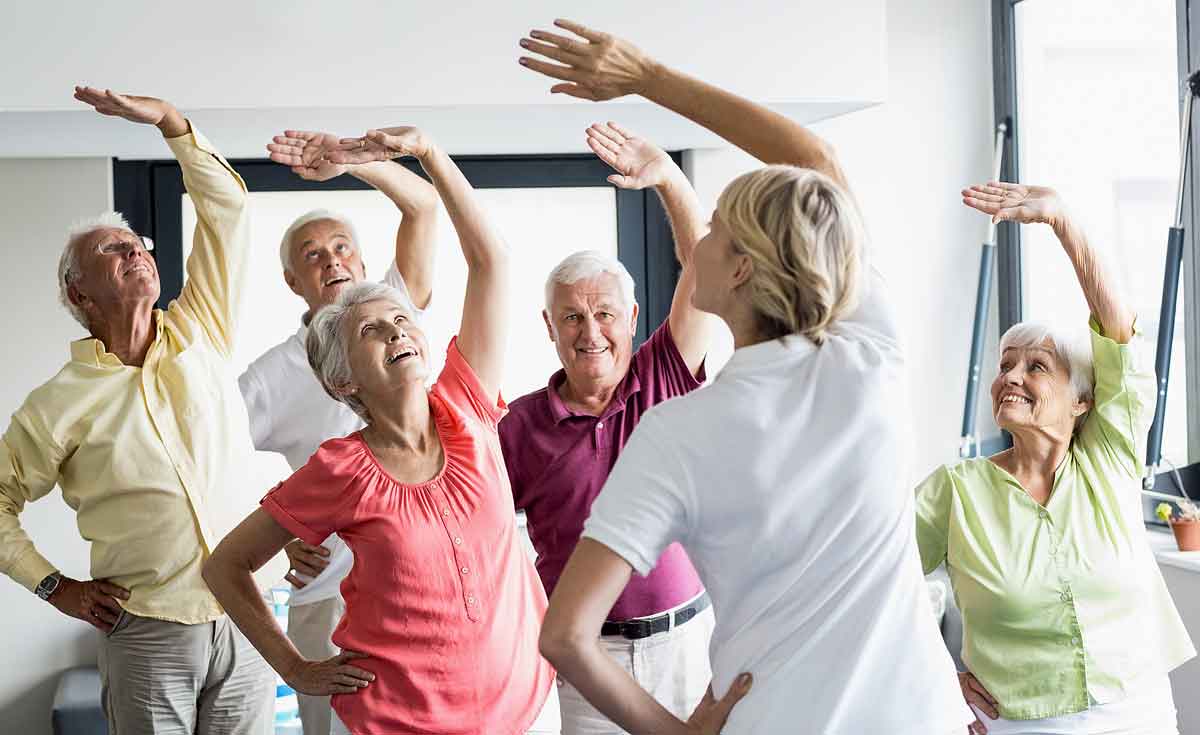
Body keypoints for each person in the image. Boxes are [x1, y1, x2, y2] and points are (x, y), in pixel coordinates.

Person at [521, 20, 973, 735]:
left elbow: (564, 635)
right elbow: (813, 155)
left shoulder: (675, 428)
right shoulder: (871, 354)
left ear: (740, 269)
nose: (696, 239)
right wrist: (649, 77)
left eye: (716, 229)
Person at [203, 125, 557, 735]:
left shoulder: (466, 407)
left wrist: (428, 152)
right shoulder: (341, 466)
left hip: (520, 713)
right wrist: (296, 669)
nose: (396, 331)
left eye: (401, 319)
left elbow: (491, 261)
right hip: (393, 722)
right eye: (372, 331)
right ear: (344, 382)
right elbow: (224, 566)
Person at [0, 87, 278, 734]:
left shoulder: (200, 330)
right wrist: (51, 585)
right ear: (79, 292)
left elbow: (228, 210)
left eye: (139, 243)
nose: (137, 253)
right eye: (113, 250)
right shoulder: (56, 404)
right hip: (148, 629)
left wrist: (174, 125)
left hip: (250, 613)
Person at [914, 182, 1196, 735]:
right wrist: (932, 671)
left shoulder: (1108, 459)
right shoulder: (955, 489)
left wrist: (1064, 221)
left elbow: (1120, 337)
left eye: (1037, 366)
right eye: (1005, 365)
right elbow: (880, 577)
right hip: (1017, 722)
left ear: (1083, 400)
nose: (1011, 377)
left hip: (1138, 711)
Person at [498, 119, 716, 735]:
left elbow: (702, 269)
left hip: (689, 644)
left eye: (603, 314)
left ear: (633, 317)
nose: (589, 332)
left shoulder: (666, 372)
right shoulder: (518, 426)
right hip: (588, 662)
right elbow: (463, 523)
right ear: (549, 326)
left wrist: (670, 181)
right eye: (571, 317)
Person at [240, 129, 439, 735]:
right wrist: (277, 532)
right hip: (328, 598)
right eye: (312, 255)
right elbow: (202, 462)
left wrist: (357, 161)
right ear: (292, 281)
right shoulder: (270, 377)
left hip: (417, 582)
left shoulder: (393, 311)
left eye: (342, 247)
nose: (332, 261)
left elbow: (424, 206)